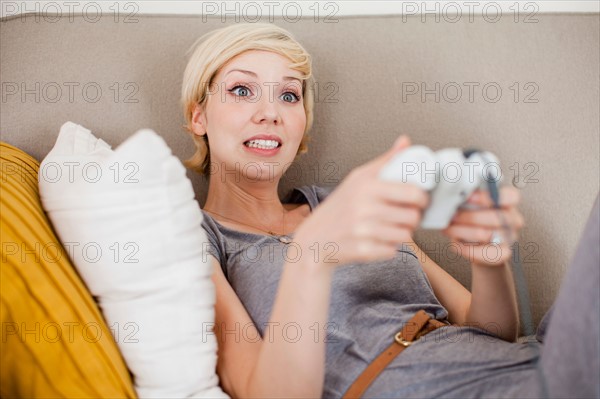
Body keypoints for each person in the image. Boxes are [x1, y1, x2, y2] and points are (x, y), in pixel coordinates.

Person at [181, 23, 599, 398]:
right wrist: (312, 254)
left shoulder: (342, 203)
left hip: (530, 360)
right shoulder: (199, 240)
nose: (270, 113)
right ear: (198, 115)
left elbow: (495, 334)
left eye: (288, 95)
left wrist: (489, 262)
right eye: (241, 90)